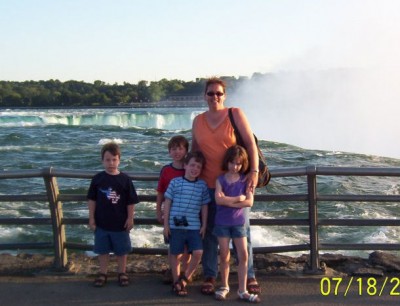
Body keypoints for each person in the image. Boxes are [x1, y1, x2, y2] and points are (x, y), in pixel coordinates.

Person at [191, 77, 262, 295]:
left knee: (242, 233)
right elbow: (194, 152)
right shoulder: (198, 121)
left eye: (218, 93)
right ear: (204, 96)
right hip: (207, 184)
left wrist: (254, 171)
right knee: (210, 232)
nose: (215, 97)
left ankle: (249, 275)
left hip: (235, 184)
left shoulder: (235, 113)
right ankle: (211, 275)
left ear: (225, 95)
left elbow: (250, 144)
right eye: (210, 93)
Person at [87, 142, 139, 287]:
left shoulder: (125, 180)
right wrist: (91, 218)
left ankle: (122, 272)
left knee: (121, 251)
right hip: (101, 223)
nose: (111, 163)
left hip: (120, 223)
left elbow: (130, 202)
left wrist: (130, 218)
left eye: (114, 159)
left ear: (119, 160)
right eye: (108, 160)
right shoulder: (97, 179)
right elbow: (92, 200)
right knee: (102, 251)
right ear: (102, 160)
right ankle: (103, 273)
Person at [214, 145, 260, 303]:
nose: (235, 166)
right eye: (232, 163)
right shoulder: (220, 179)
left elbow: (249, 202)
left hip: (239, 223)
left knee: (244, 255)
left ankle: (242, 290)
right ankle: (225, 286)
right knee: (224, 255)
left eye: (239, 164)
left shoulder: (245, 179)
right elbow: (218, 199)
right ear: (227, 162)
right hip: (222, 223)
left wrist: (229, 202)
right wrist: (237, 199)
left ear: (243, 164)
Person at [163, 151, 210, 296]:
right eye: (192, 165)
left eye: (198, 167)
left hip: (194, 226)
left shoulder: (202, 185)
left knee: (198, 252)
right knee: (175, 254)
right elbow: (168, 203)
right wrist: (166, 225)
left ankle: (185, 278)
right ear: (185, 166)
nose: (195, 169)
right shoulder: (175, 182)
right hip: (175, 226)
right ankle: (177, 281)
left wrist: (204, 225)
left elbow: (204, 206)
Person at [156, 135, 190, 283]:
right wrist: (158, 210)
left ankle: (185, 271)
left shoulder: (190, 168)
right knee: (173, 245)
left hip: (189, 214)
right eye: (173, 149)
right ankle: (173, 270)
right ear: (169, 151)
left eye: (180, 148)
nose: (177, 152)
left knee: (187, 245)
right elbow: (160, 192)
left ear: (186, 151)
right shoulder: (166, 170)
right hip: (171, 214)